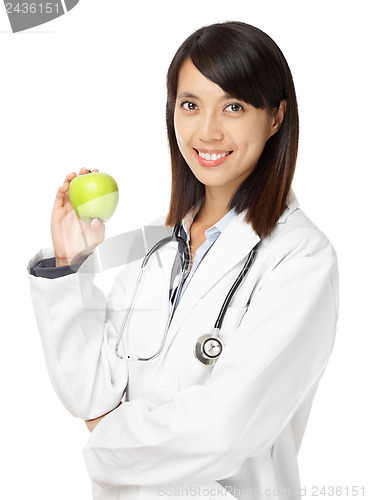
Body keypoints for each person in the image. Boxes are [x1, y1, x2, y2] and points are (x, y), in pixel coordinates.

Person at [27, 21, 339, 500]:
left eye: (234, 106)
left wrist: (106, 442)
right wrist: (70, 265)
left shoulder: (301, 258)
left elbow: (223, 430)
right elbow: (89, 392)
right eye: (190, 105)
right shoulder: (153, 240)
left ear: (276, 117)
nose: (207, 131)